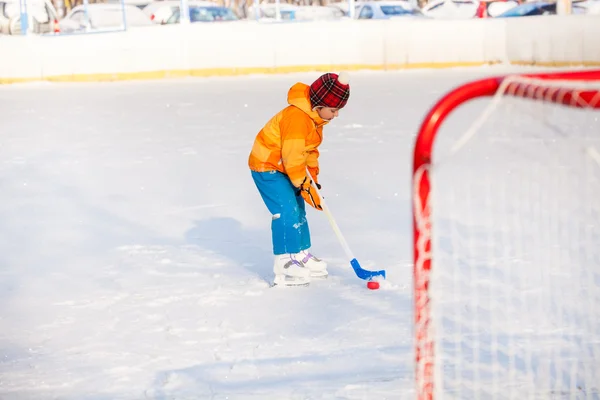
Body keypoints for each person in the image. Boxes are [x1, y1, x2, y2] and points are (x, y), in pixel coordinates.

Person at [248, 72, 351, 287]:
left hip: (286, 167)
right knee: (286, 210)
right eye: (334, 110)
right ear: (319, 105)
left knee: (298, 208)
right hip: (267, 166)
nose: (336, 115)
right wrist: (303, 184)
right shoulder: (297, 119)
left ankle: (301, 254)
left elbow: (309, 153)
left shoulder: (314, 120)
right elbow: (293, 156)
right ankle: (285, 261)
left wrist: (312, 182)